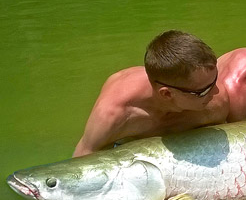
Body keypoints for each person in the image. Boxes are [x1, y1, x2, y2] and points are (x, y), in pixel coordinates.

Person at [73, 30, 228, 157]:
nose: (217, 91)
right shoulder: (113, 114)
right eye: (204, 91)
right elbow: (81, 162)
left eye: (215, 80)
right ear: (167, 94)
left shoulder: (215, 103)